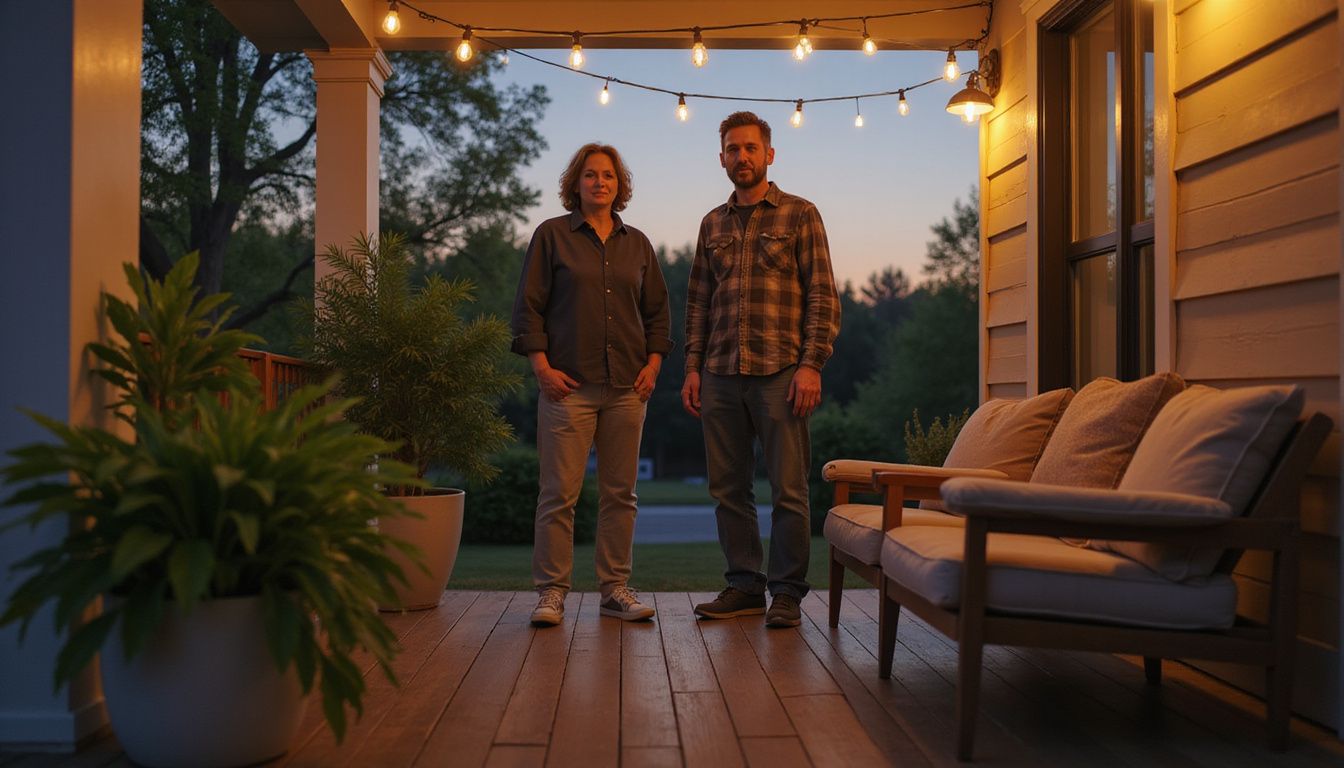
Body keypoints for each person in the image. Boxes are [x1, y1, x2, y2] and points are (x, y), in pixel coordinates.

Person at [681, 112, 841, 628]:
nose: (742, 157)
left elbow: (822, 294)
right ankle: (745, 587)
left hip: (781, 373)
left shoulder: (801, 214)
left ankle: (788, 594)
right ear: (721, 158)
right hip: (721, 373)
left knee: (789, 489)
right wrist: (692, 368)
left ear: (769, 154)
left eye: (751, 148)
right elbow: (698, 302)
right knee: (728, 489)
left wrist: (811, 364)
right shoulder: (712, 223)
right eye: (733, 149)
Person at [511, 143, 672, 627]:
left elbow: (658, 312)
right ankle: (551, 594)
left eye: (608, 175)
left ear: (619, 185)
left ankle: (614, 589)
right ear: (574, 185)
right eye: (590, 176)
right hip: (568, 388)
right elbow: (528, 308)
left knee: (621, 495)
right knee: (559, 494)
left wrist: (654, 364)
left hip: (628, 387)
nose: (600, 182)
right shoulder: (551, 237)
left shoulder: (638, 244)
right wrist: (541, 368)